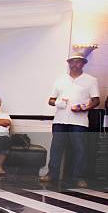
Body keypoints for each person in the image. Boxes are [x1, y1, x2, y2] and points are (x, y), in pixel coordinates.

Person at [40, 50, 100, 187]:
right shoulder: (60, 80)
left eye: (78, 61)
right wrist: (58, 103)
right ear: (68, 64)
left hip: (79, 121)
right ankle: (51, 174)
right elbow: (51, 100)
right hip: (60, 120)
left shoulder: (91, 80)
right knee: (56, 148)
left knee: (79, 149)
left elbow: (96, 100)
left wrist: (85, 107)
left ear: (83, 64)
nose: (75, 64)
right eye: (72, 61)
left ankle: (78, 177)